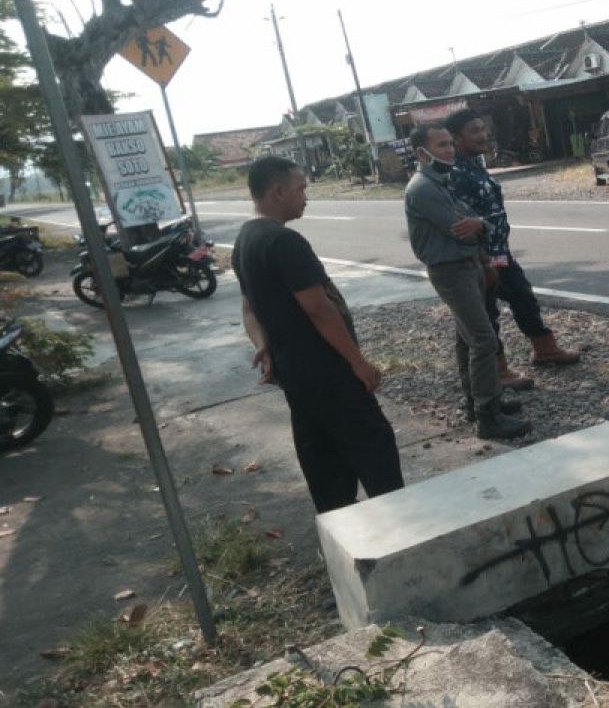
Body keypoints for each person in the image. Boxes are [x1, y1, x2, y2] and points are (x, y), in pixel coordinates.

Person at [233, 156, 404, 513]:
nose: (305, 197)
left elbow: (249, 309)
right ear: (278, 192)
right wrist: (358, 362)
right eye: (301, 189)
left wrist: (263, 345)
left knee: (323, 461)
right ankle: (398, 525)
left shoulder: (245, 239)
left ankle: (341, 532)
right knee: (375, 451)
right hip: (328, 371)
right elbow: (317, 307)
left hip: (293, 375)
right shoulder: (284, 241)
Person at [404, 123, 531, 440]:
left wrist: (479, 226)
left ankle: (478, 404)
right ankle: (488, 417)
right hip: (451, 270)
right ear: (422, 153)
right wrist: (478, 226)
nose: (449, 150)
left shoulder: (439, 182)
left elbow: (477, 221)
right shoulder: (423, 188)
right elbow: (459, 227)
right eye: (442, 145)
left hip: (467, 265)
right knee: (483, 340)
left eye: (450, 144)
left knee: (466, 339)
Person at [443, 109, 579, 392]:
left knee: (523, 296)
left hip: (499, 251)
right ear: (457, 138)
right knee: (487, 313)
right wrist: (483, 261)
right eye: (474, 131)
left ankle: (545, 349)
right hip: (480, 258)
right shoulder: (455, 173)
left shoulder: (475, 164)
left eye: (483, 128)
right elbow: (460, 222)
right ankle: (498, 369)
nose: (483, 135)